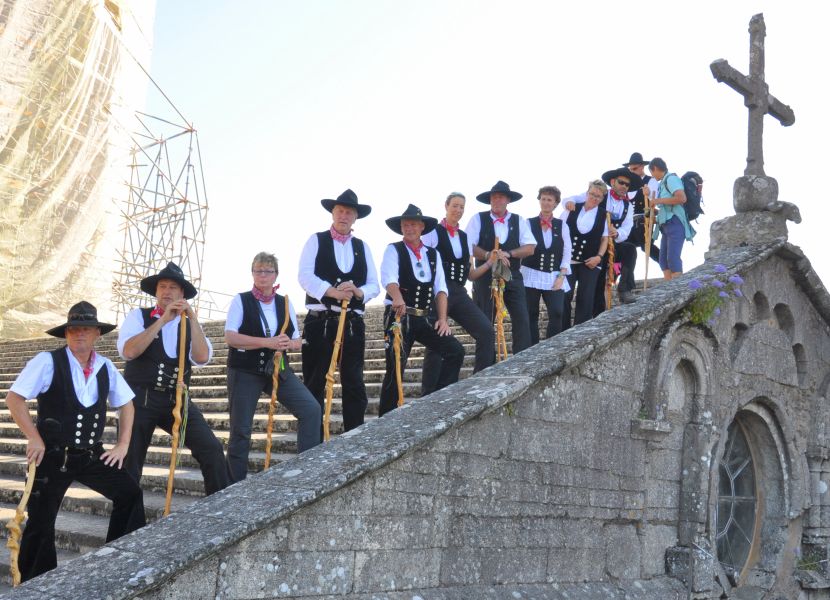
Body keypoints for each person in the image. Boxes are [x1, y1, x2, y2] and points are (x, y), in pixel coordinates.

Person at [6, 302, 145, 581]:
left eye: (85, 329)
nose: (79, 333)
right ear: (66, 334)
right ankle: (39, 582)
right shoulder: (47, 361)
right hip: (53, 456)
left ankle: (121, 562)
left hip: (91, 454)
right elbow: (14, 398)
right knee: (41, 521)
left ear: (96, 333)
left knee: (130, 493)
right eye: (73, 329)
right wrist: (34, 437)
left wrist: (123, 445)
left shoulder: (105, 367)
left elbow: (127, 405)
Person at [117, 262, 229, 496]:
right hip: (139, 400)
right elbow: (129, 352)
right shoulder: (139, 316)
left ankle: (221, 515)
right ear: (156, 291)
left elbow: (201, 357)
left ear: (182, 294)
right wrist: (162, 321)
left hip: (175, 400)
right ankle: (126, 528)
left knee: (212, 450)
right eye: (162, 286)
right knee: (130, 462)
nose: (167, 291)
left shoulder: (188, 324)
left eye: (173, 287)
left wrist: (193, 320)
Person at [225, 252, 321, 482]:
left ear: (275, 275)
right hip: (244, 369)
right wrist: (266, 342)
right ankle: (232, 486)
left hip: (277, 367)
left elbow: (298, 340)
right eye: (258, 270)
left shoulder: (285, 302)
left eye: (267, 271)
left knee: (311, 409)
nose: (262, 275)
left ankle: (306, 473)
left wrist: (289, 343)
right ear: (252, 273)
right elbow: (231, 337)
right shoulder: (241, 300)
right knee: (241, 430)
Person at [298, 189, 379, 434]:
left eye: (349, 213)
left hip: (352, 323)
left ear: (355, 218)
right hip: (320, 321)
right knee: (314, 382)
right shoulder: (316, 240)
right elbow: (304, 276)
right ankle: (312, 440)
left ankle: (354, 436)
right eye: (340, 211)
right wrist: (333, 292)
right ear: (333, 213)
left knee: (354, 383)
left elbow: (374, 285)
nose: (344, 216)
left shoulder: (362, 247)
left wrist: (356, 291)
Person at [379, 204, 464, 415]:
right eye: (405, 225)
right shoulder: (393, 249)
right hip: (398, 317)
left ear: (422, 227)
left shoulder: (432, 254)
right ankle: (385, 419)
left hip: (423, 318)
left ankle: (438, 402)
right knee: (395, 368)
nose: (409, 228)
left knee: (455, 350)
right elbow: (389, 278)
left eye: (413, 225)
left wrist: (443, 319)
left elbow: (441, 289)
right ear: (401, 228)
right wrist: (397, 298)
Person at [420, 192, 495, 393]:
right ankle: (429, 393)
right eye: (455, 205)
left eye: (462, 207)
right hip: (437, 292)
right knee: (436, 342)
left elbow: (470, 274)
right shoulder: (432, 232)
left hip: (459, 292)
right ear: (446, 206)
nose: (459, 210)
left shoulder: (464, 237)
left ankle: (480, 384)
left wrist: (489, 262)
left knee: (486, 330)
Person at [465, 180, 536, 355]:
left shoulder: (519, 220)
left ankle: (521, 358)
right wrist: (489, 255)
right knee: (485, 319)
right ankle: (485, 362)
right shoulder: (478, 219)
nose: (497, 200)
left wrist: (508, 254)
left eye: (501, 197)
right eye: (494, 197)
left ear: (508, 200)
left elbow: (530, 247)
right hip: (485, 276)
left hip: (511, 275)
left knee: (521, 317)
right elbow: (468, 245)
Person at [521, 186, 571, 344]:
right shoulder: (528, 223)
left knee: (557, 312)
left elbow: (567, 250)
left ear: (556, 203)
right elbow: (524, 246)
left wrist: (562, 275)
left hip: (554, 275)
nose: (546, 202)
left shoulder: (562, 225)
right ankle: (532, 349)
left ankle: (551, 347)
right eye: (543, 198)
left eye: (550, 200)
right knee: (531, 313)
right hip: (530, 274)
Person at [562, 180, 609, 327]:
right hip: (568, 261)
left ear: (602, 199)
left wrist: (599, 257)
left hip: (590, 262)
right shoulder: (571, 208)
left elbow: (604, 239)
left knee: (586, 298)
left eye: (598, 196)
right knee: (564, 295)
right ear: (587, 193)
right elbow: (559, 231)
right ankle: (562, 332)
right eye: (592, 194)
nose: (594, 198)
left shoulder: (603, 215)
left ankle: (580, 334)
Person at [648, 157, 695, 280]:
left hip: (675, 223)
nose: (652, 176)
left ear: (655, 169)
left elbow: (681, 198)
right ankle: (668, 289)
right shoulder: (663, 183)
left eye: (651, 172)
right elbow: (667, 207)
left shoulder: (671, 179)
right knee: (663, 260)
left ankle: (677, 290)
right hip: (666, 225)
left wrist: (658, 200)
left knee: (673, 258)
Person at [623, 152, 660, 265]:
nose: (632, 172)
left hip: (644, 220)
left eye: (634, 169)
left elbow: (655, 198)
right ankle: (625, 280)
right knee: (625, 249)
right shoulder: (627, 185)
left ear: (642, 167)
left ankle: (666, 265)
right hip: (628, 223)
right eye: (630, 170)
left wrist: (648, 193)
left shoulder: (650, 181)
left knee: (646, 246)